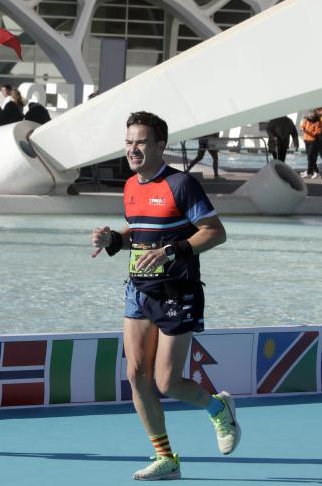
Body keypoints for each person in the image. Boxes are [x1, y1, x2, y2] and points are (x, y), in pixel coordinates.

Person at [91, 111, 236, 481]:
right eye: (128, 143)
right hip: (138, 290)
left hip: (177, 290)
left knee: (167, 382)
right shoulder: (131, 186)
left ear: (159, 145)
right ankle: (166, 458)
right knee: (136, 375)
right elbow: (138, 233)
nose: (132, 149)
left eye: (140, 142)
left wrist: (173, 251)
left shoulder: (181, 184)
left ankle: (218, 409)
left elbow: (215, 232)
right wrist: (114, 240)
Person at [300, 110, 322, 178]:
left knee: (310, 156)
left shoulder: (318, 122)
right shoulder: (307, 120)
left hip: (313, 141)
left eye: (311, 116)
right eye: (310, 116)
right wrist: (302, 129)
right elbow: (302, 126)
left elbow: (318, 132)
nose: (310, 118)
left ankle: (310, 172)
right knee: (309, 157)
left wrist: (310, 132)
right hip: (306, 139)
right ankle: (314, 171)